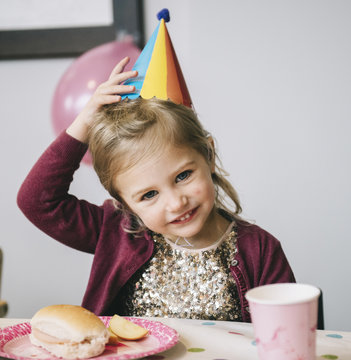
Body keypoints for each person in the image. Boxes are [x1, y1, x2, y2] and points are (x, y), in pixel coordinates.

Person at [17, 11, 295, 322]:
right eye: (148, 195)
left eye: (183, 176)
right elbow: (37, 201)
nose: (176, 203)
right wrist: (84, 122)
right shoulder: (118, 232)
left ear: (208, 154)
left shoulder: (261, 250)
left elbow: (286, 338)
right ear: (124, 203)